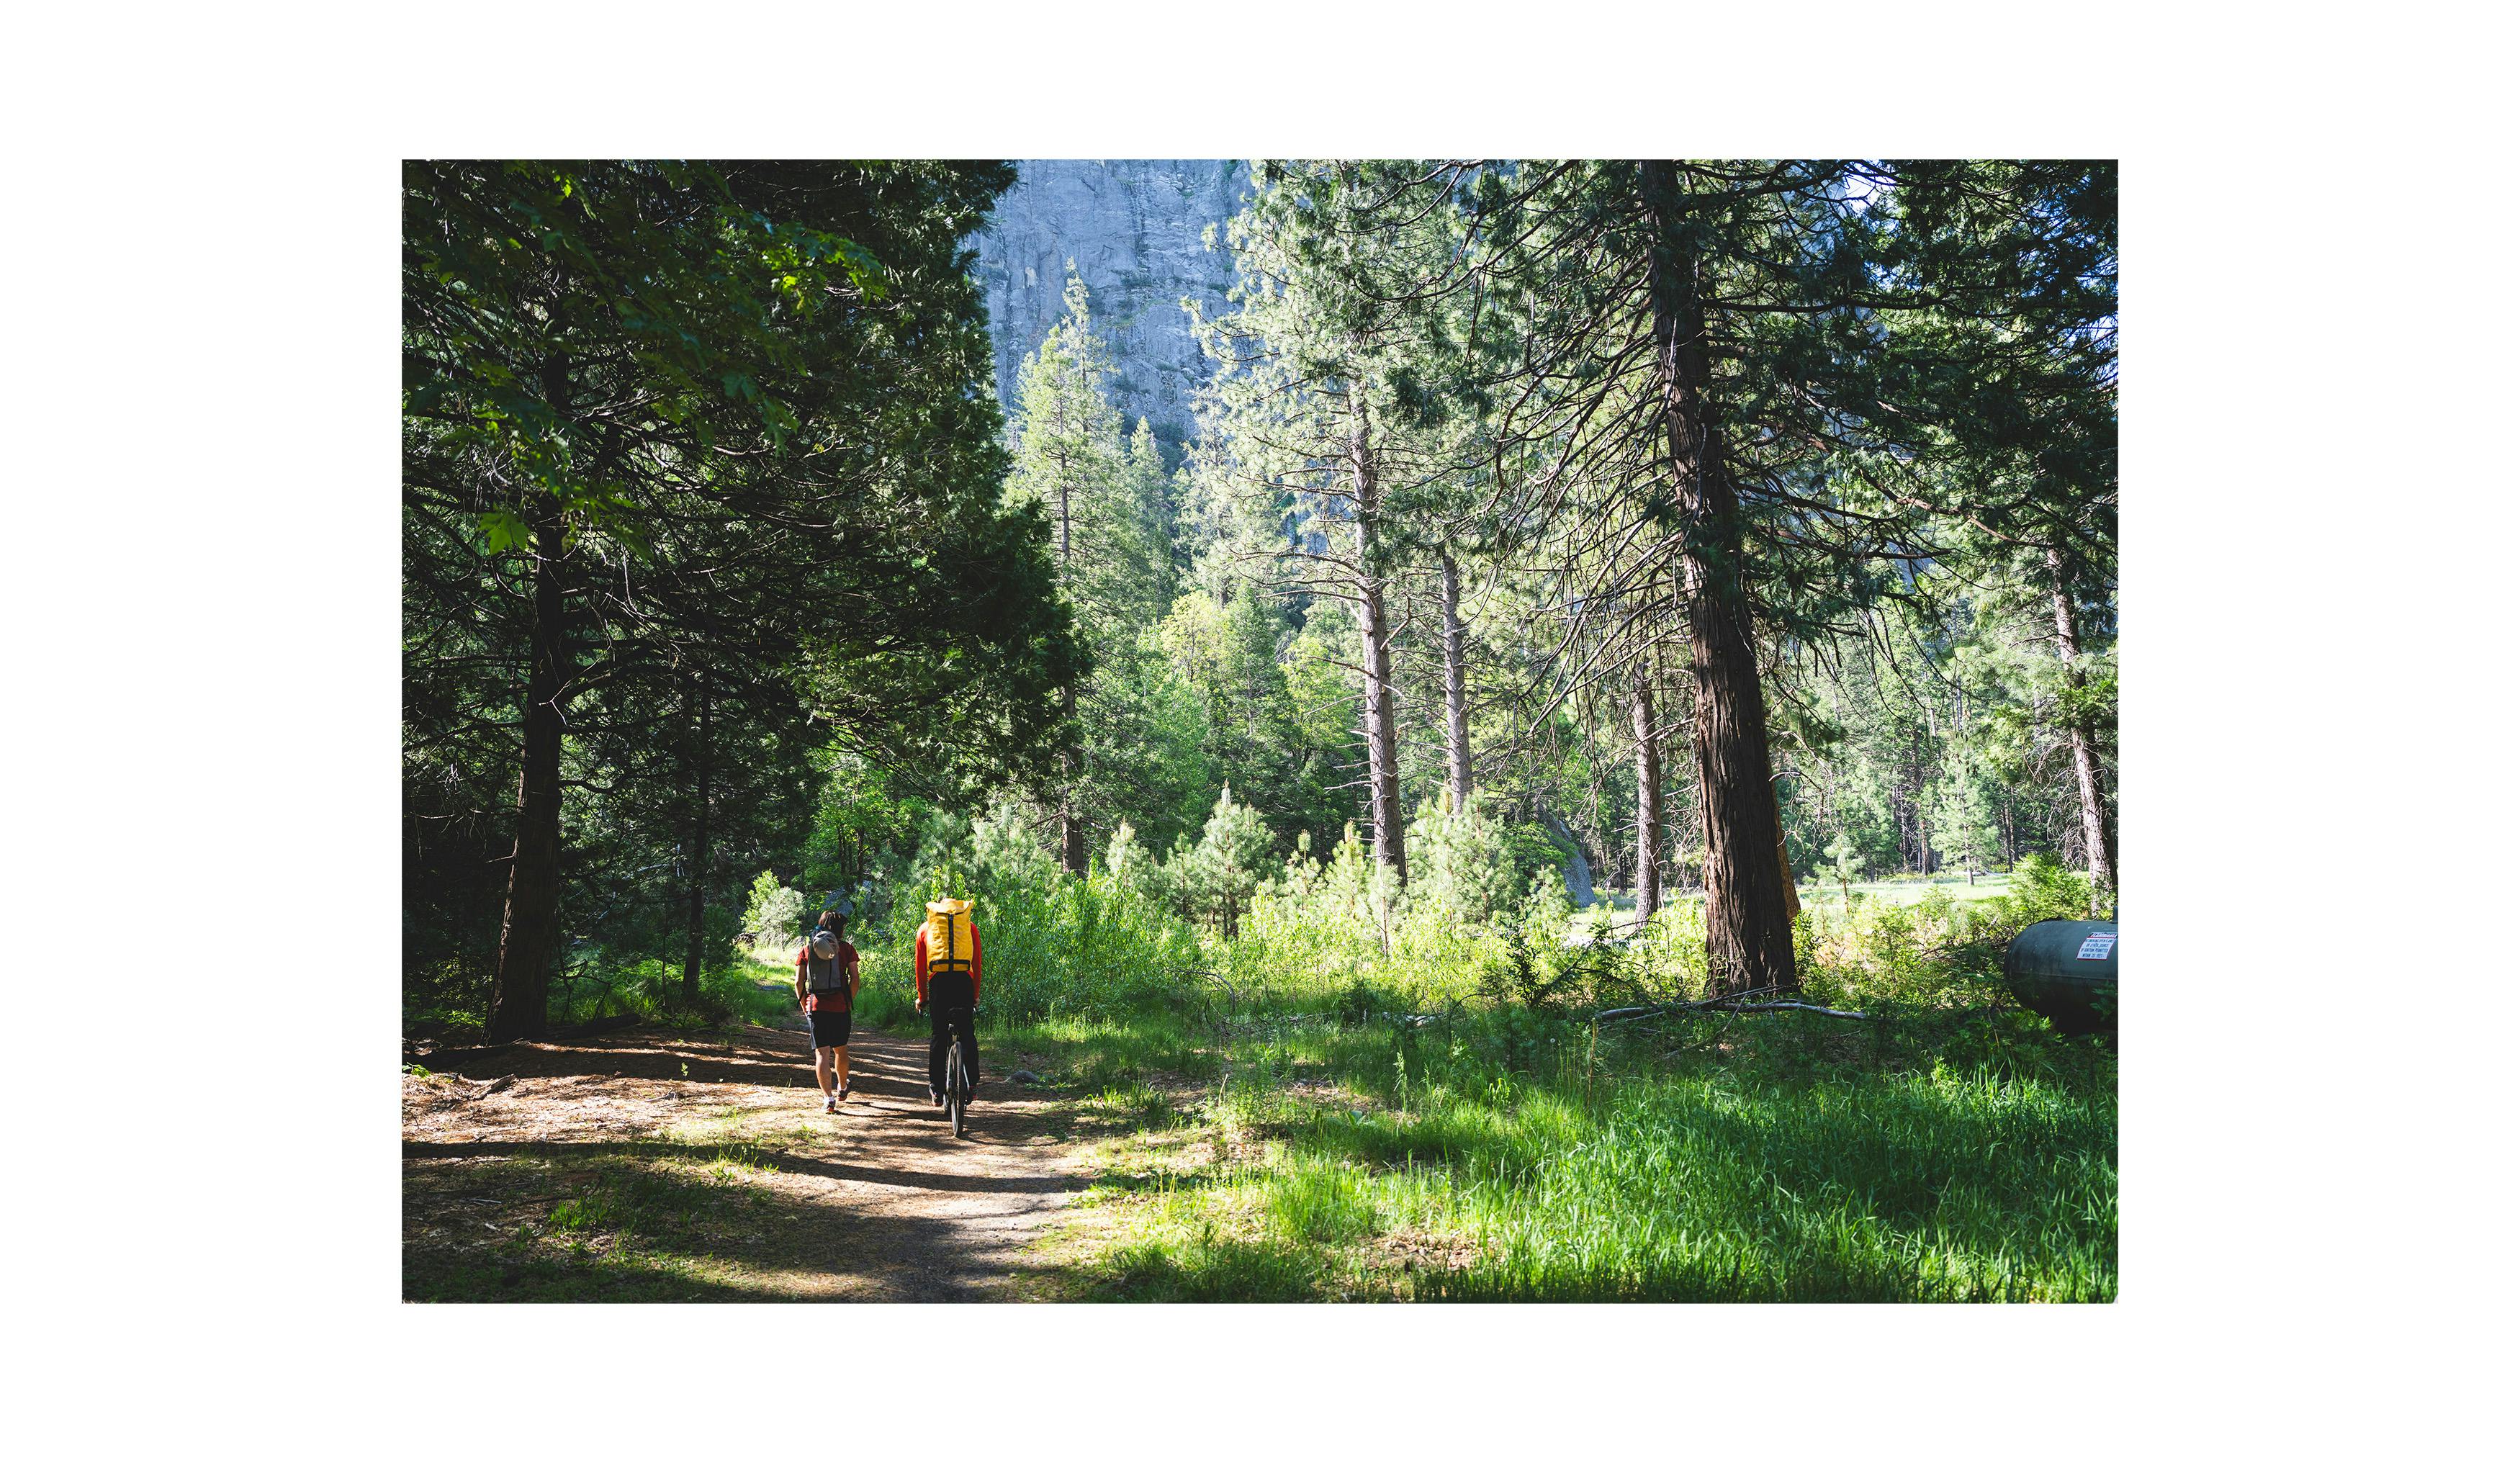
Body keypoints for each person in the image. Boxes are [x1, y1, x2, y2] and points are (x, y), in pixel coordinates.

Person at [913, 897, 981, 1107]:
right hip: (964, 984)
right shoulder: (969, 928)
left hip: (939, 985)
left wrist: (922, 998)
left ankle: (937, 1088)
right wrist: (975, 996)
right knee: (967, 1032)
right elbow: (976, 965)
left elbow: (921, 970)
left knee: (939, 1035)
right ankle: (971, 1085)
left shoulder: (926, 929)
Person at [793, 909, 860, 1112]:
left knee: (822, 1054)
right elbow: (855, 980)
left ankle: (828, 1099)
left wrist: (805, 1003)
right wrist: (848, 1001)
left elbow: (798, 981)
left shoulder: (807, 950)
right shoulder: (847, 949)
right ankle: (842, 1087)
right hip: (840, 1006)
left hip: (816, 1006)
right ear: (840, 930)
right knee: (841, 1050)